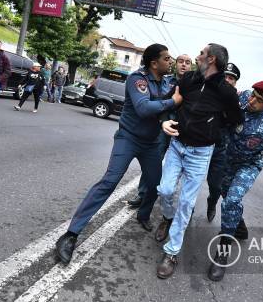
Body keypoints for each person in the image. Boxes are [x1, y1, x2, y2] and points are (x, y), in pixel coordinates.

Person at [55, 44, 180, 265]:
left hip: (152, 143)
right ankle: (70, 235)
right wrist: (173, 102)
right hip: (128, 138)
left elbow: (163, 111)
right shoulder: (137, 79)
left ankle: (143, 215)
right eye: (167, 58)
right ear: (154, 63)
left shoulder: (167, 82)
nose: (171, 61)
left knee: (154, 184)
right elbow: (143, 108)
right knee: (109, 181)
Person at [155, 43, 243, 280]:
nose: (197, 56)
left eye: (201, 54)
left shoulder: (227, 92)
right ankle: (166, 217)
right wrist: (164, 120)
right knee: (164, 190)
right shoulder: (189, 79)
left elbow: (235, 120)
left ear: (211, 59)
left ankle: (171, 252)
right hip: (176, 146)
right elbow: (170, 100)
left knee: (186, 202)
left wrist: (212, 128)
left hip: (201, 154)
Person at [208, 80, 263, 282]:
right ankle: (238, 224)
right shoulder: (244, 97)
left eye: (258, 100)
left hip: (246, 165)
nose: (252, 101)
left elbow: (238, 144)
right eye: (253, 95)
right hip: (227, 161)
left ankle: (223, 252)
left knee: (231, 200)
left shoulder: (262, 130)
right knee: (225, 195)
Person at [127, 53, 194, 209]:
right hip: (163, 126)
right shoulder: (165, 81)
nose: (184, 64)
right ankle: (143, 194)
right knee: (153, 161)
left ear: (191, 66)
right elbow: (158, 101)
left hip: (184, 131)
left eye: (188, 62)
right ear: (175, 64)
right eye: (181, 61)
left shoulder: (194, 83)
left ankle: (186, 206)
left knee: (188, 169)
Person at [204, 62, 241, 222]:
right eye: (225, 76)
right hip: (201, 145)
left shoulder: (237, 101)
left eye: (231, 78)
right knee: (192, 183)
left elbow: (239, 125)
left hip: (220, 149)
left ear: (235, 82)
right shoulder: (208, 92)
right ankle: (187, 213)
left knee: (216, 186)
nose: (227, 79)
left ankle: (212, 202)